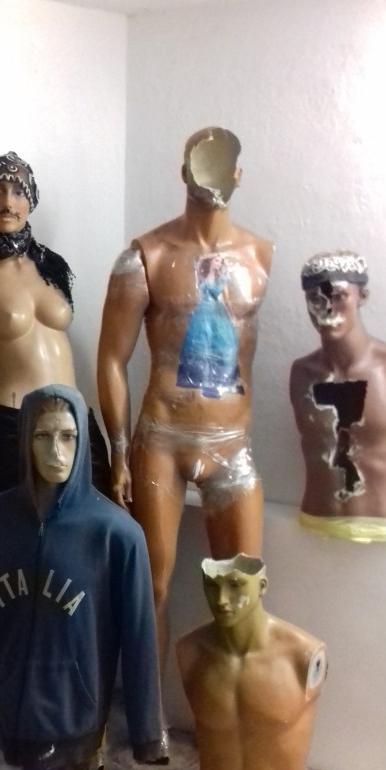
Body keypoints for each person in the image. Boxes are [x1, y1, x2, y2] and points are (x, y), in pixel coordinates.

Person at [97, 127, 273, 667]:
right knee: (151, 583)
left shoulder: (260, 255)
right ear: (183, 172)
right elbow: (111, 358)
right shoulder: (146, 256)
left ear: (239, 175)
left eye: (222, 164)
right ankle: (147, 713)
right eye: (202, 162)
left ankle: (231, 709)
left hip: (231, 442)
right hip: (163, 439)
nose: (212, 176)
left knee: (243, 591)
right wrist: (119, 450)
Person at [0, 384, 168, 770]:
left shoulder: (116, 533)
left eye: (67, 436)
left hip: (77, 712)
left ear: (82, 440)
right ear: (25, 440)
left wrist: (145, 735)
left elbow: (140, 641)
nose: (56, 452)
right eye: (42, 436)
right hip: (7, 702)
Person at [0, 151, 108, 514]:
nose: (7, 202)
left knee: (97, 533)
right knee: (24, 540)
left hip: (77, 421)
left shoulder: (52, 266)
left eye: (18, 191)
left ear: (32, 199)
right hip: (17, 426)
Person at [177, 555, 327, 770]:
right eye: (212, 586)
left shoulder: (303, 655)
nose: (222, 599)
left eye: (235, 586)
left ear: (262, 586)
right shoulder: (190, 650)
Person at [289, 251, 386, 542]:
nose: (328, 309)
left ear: (362, 296)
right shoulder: (302, 373)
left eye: (339, 296)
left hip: (383, 531)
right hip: (313, 523)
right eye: (315, 299)